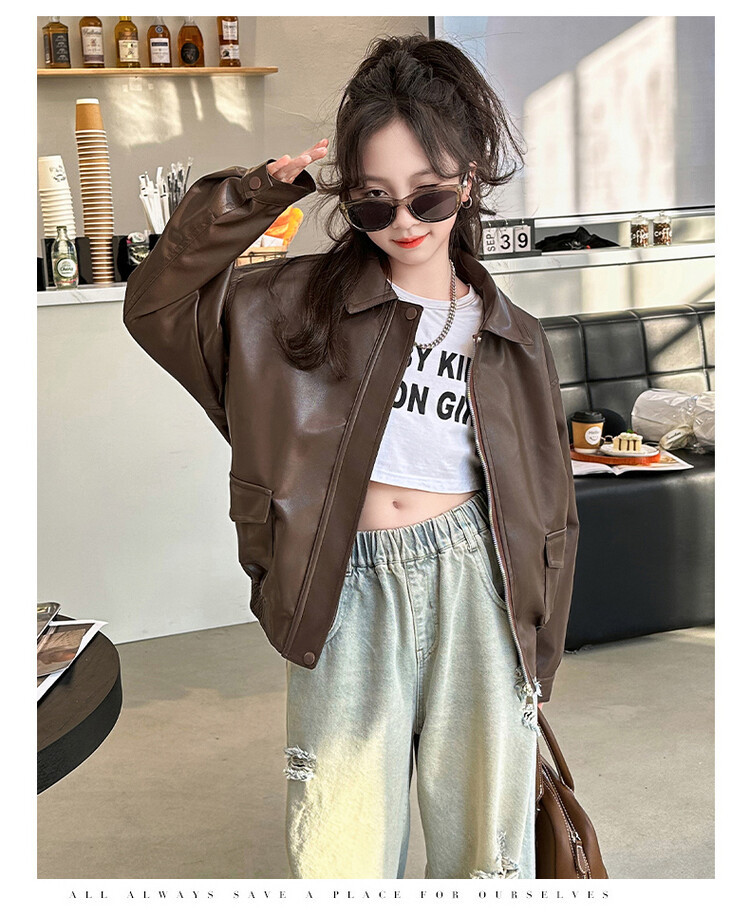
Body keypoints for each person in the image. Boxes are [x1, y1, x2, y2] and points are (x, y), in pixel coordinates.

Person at [123, 33, 578, 881]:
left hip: (476, 580)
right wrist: (255, 195)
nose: (404, 222)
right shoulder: (286, 308)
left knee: (486, 843)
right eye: (374, 201)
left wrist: (539, 642)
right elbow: (156, 302)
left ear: (469, 183)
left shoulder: (513, 337)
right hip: (344, 578)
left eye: (428, 195)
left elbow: (552, 506)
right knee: (341, 839)